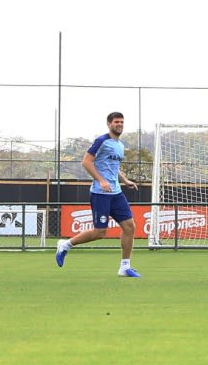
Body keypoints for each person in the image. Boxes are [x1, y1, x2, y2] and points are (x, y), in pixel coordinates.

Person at [54, 111, 142, 277]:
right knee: (100, 232)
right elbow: (86, 162)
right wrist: (101, 180)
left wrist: (125, 180)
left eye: (122, 122)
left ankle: (125, 267)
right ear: (109, 124)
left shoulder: (120, 145)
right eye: (116, 122)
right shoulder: (102, 141)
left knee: (130, 226)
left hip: (116, 193)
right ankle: (65, 245)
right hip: (100, 193)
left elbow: (113, 168)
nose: (120, 124)